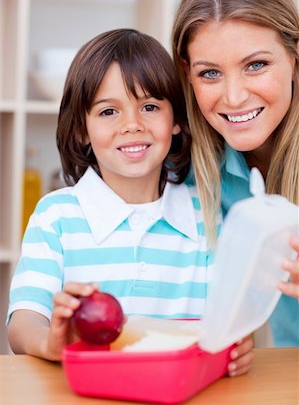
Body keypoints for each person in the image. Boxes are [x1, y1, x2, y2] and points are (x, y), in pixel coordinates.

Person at [7, 28, 253, 373]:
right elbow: (23, 325)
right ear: (82, 129)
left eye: (150, 106)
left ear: (177, 121)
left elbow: (229, 322)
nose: (132, 125)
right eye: (109, 112)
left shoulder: (208, 215)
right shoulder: (56, 217)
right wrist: (50, 342)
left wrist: (238, 344)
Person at [172, 0, 299, 346]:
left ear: (294, 58)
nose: (234, 96)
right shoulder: (190, 167)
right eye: (210, 73)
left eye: (256, 65)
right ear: (187, 73)